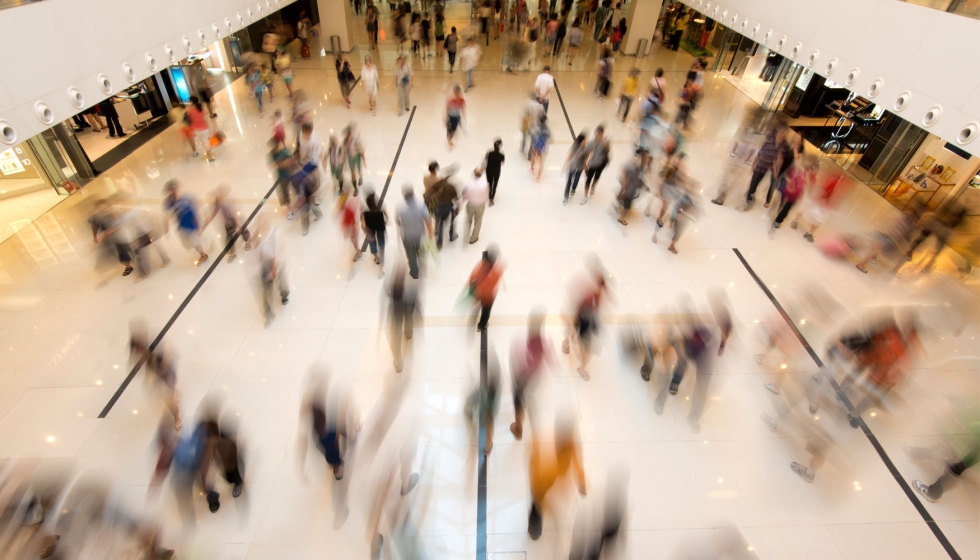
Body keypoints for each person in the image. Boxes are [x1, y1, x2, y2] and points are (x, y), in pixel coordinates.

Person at [527, 412, 586, 539]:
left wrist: (581, 480)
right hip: (541, 484)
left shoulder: (570, 443)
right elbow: (534, 466)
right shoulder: (545, 443)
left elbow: (576, 459)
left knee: (551, 508)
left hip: (554, 483)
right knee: (537, 507)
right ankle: (534, 527)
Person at [510, 313, 559, 440]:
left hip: (521, 380)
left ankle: (519, 428)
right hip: (534, 380)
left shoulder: (520, 341)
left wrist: (515, 376)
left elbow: (513, 361)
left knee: (518, 403)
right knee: (528, 400)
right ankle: (532, 430)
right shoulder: (546, 342)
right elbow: (552, 362)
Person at [561, 258, 609, 380]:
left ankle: (566, 344)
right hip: (583, 316)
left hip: (582, 315)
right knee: (588, 346)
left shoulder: (584, 280)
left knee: (573, 333)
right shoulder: (588, 283)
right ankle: (581, 367)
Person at [162, 180, 208, 266]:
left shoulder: (186, 196)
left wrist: (204, 216)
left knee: (195, 240)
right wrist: (166, 229)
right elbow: (167, 215)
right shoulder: (169, 201)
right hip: (182, 225)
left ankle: (203, 255)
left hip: (192, 222)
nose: (173, 191)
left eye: (174, 189)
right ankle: (204, 245)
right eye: (170, 190)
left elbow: (198, 204)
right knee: (188, 242)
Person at [202, 184, 251, 263]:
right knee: (229, 238)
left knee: (242, 230)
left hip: (235, 219)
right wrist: (207, 222)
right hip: (228, 223)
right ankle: (232, 253)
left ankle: (247, 242)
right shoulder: (219, 203)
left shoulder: (227, 202)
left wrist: (238, 225)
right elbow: (214, 213)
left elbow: (233, 214)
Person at [744, 122, 786, 211]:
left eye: (783, 134)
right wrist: (752, 165)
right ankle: (747, 199)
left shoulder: (782, 146)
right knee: (754, 182)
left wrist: (776, 171)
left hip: (766, 168)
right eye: (781, 133)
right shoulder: (769, 141)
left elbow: (779, 159)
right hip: (760, 165)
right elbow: (759, 154)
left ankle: (750, 193)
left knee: (757, 183)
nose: (782, 135)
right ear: (777, 132)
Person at [255, 218, 289, 327]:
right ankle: (269, 314)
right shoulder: (260, 235)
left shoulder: (276, 233)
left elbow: (276, 255)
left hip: (277, 262)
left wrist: (273, 271)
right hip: (266, 264)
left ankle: (284, 294)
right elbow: (258, 250)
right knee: (264, 291)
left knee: (281, 280)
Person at [384, 264, 418, 371]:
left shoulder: (392, 279)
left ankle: (398, 362)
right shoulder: (411, 278)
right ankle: (408, 332)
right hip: (408, 304)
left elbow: (386, 292)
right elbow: (415, 293)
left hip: (396, 308)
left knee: (396, 334)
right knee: (408, 319)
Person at [397, 186, 434, 279]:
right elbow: (428, 220)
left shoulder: (400, 207)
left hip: (407, 234)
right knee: (419, 249)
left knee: (410, 253)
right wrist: (430, 233)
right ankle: (419, 255)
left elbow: (398, 222)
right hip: (419, 234)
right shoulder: (421, 204)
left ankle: (415, 272)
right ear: (413, 194)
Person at [466, 246, 505, 331]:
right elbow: (494, 283)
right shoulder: (496, 271)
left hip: (478, 292)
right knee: (486, 311)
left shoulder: (480, 266)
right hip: (488, 296)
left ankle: (473, 319)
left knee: (477, 306)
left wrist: (470, 287)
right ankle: (482, 325)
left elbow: (472, 277)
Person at [615, 149, 650, 226]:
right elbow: (627, 175)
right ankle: (621, 218)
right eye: (646, 157)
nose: (648, 159)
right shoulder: (635, 166)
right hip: (629, 188)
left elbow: (638, 177)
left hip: (632, 187)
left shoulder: (640, 166)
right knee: (627, 204)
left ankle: (619, 202)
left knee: (626, 199)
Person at [425, 172, 459, 248]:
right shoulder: (451, 187)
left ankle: (439, 242)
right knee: (452, 220)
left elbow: (429, 194)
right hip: (448, 207)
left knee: (440, 223)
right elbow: (456, 198)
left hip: (439, 207)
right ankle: (451, 235)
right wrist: (457, 208)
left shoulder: (436, 185)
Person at [580, 125, 610, 204]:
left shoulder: (605, 142)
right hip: (592, 164)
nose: (599, 135)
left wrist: (605, 145)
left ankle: (593, 186)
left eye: (601, 134)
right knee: (588, 180)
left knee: (597, 177)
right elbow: (587, 153)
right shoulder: (591, 143)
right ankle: (585, 196)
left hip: (601, 164)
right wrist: (585, 164)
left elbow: (608, 152)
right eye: (598, 134)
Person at [461, 167, 489, 243]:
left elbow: (464, 195)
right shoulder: (485, 184)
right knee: (478, 221)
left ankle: (466, 235)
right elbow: (486, 196)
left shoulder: (469, 184)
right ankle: (473, 238)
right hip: (480, 205)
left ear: (473, 174)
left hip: (470, 204)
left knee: (468, 220)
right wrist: (484, 201)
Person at [363, 191, 388, 277]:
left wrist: (364, 227)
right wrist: (387, 219)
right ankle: (381, 254)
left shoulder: (365, 207)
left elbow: (362, 217)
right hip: (380, 226)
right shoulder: (380, 205)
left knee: (372, 241)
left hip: (370, 226)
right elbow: (385, 212)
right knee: (381, 241)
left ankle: (377, 258)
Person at [183, 96, 213, 161]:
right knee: (207, 142)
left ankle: (208, 153)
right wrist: (209, 127)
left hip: (196, 130)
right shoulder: (201, 108)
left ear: (191, 102)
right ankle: (209, 156)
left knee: (203, 142)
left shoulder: (188, 109)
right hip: (204, 128)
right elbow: (205, 119)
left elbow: (183, 115)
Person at [562, 131, 588, 205]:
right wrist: (565, 166)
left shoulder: (585, 148)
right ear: (581, 140)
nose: (585, 141)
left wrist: (585, 165)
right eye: (584, 140)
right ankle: (566, 197)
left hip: (580, 167)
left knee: (576, 180)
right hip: (572, 166)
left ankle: (573, 188)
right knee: (569, 182)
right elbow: (570, 156)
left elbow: (586, 157)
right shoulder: (575, 146)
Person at [520, 92, 544, 160]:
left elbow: (525, 115)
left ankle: (522, 149)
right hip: (536, 126)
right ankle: (530, 155)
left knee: (524, 136)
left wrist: (523, 124)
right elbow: (542, 117)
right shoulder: (540, 106)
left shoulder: (528, 105)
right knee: (532, 141)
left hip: (528, 125)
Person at [342, 124, 366, 192]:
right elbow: (343, 153)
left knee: (359, 170)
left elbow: (362, 150)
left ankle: (361, 177)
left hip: (357, 157)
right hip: (350, 158)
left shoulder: (357, 140)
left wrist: (364, 161)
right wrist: (343, 163)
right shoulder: (344, 142)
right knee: (353, 173)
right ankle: (355, 188)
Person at [529, 114, 551, 182]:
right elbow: (550, 138)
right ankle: (538, 177)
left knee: (533, 157)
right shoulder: (548, 129)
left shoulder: (536, 129)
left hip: (535, 146)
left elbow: (532, 136)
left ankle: (532, 168)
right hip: (543, 148)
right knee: (541, 162)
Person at [483, 139, 505, 206]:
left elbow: (485, 160)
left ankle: (489, 195)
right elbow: (502, 163)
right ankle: (491, 198)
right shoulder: (501, 155)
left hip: (488, 170)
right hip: (496, 171)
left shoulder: (489, 153)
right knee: (495, 184)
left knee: (489, 183)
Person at [445, 85, 467, 149]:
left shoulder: (462, 100)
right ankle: (449, 140)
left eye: (458, 93)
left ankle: (450, 139)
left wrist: (464, 116)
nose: (457, 94)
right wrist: (446, 117)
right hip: (450, 116)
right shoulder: (451, 100)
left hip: (456, 117)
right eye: (456, 93)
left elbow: (462, 109)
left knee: (454, 129)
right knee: (449, 129)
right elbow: (447, 108)